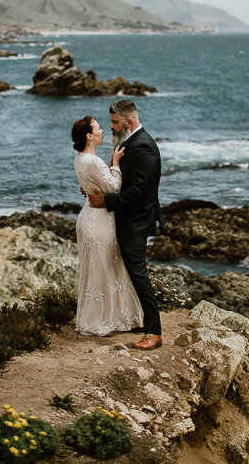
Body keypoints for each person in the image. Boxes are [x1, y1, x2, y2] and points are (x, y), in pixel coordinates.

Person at [87, 100, 164, 350]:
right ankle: (138, 320)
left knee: (138, 274)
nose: (111, 127)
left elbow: (140, 191)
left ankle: (154, 332)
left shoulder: (143, 147)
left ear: (128, 121)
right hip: (127, 218)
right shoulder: (129, 142)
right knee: (130, 273)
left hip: (136, 221)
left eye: (114, 123)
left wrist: (106, 201)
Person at [70, 115, 144, 336]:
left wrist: (107, 167)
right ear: (89, 136)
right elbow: (113, 188)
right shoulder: (94, 161)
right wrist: (116, 164)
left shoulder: (80, 158)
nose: (103, 130)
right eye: (98, 128)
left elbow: (91, 184)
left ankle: (98, 317)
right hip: (100, 221)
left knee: (95, 271)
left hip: (86, 218)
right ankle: (107, 319)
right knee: (107, 270)